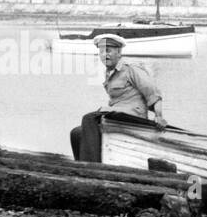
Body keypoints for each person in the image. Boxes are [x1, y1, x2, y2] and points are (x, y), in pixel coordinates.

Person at [69, 34, 165, 162]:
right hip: (117, 115)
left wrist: (159, 116)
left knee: (89, 118)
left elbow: (153, 93)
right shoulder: (109, 73)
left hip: (133, 116)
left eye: (108, 51)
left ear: (119, 52)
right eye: (101, 52)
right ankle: (81, 164)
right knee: (77, 133)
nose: (105, 55)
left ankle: (92, 166)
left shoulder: (131, 69)